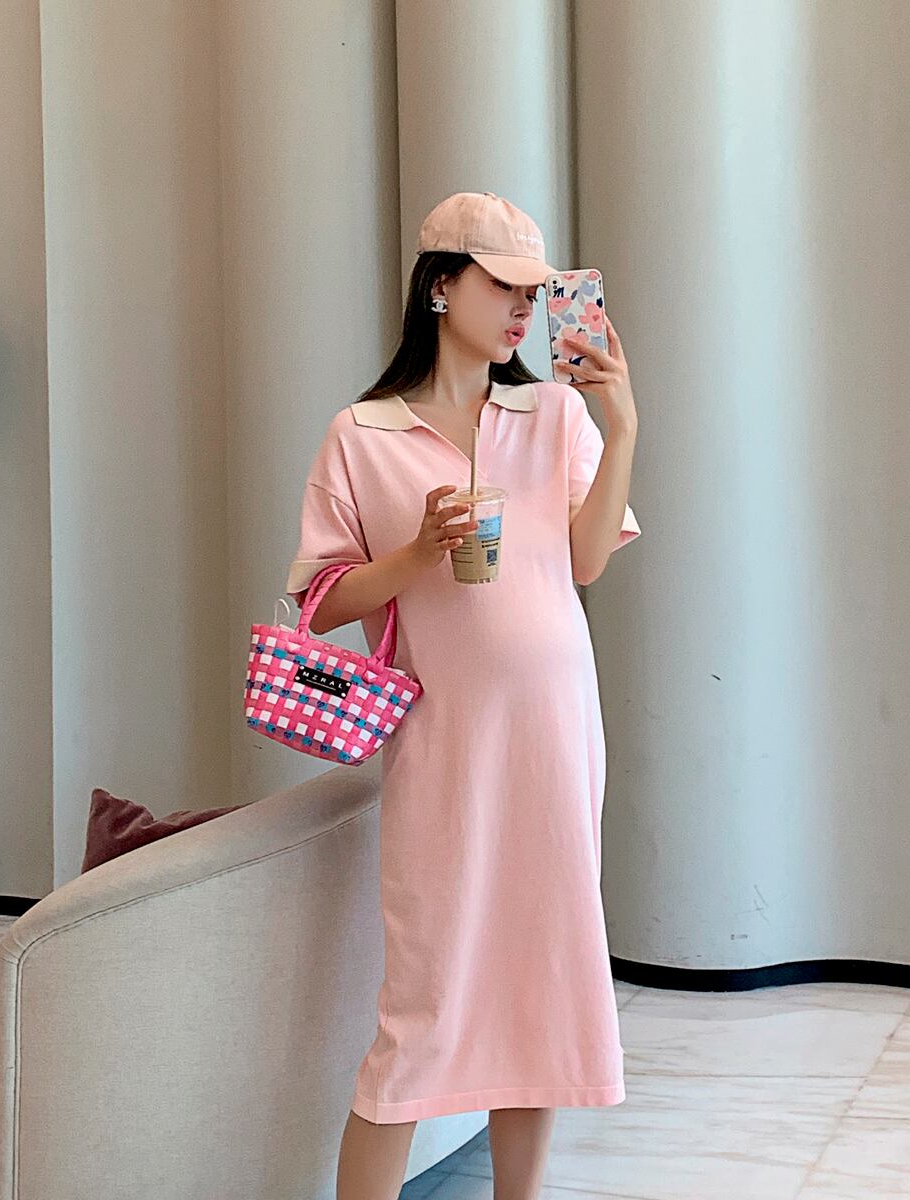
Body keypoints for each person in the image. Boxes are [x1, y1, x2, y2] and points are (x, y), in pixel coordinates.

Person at [284, 190, 642, 1200]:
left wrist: (621, 426)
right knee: (424, 1002)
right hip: (444, 748)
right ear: (441, 286)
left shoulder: (554, 415)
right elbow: (318, 602)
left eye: (537, 292)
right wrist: (416, 553)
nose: (525, 309)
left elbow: (587, 560)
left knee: (542, 994)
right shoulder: (363, 434)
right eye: (505, 287)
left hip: (557, 736)